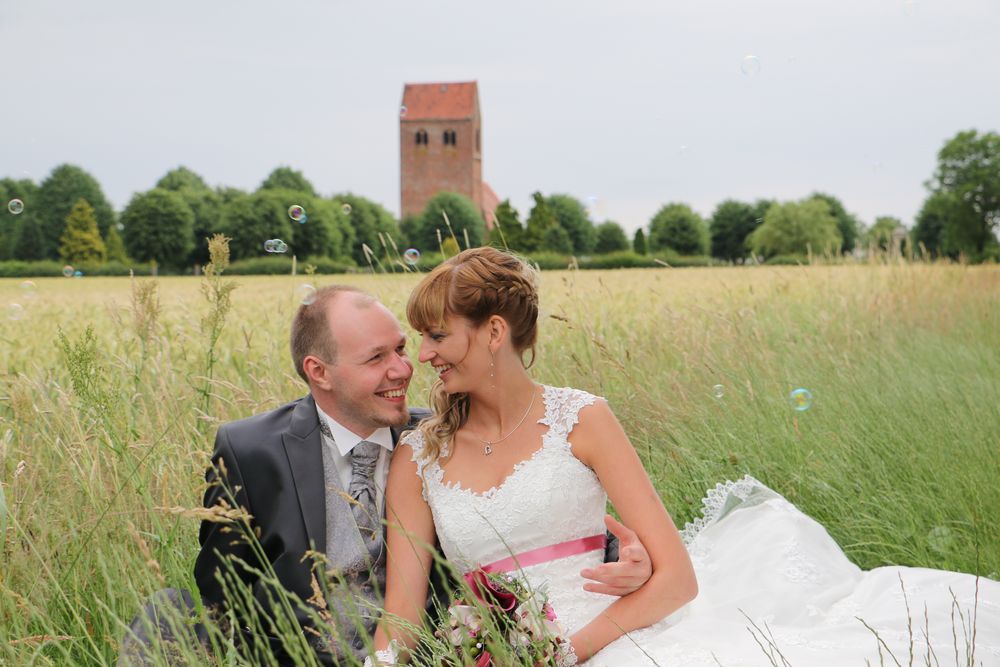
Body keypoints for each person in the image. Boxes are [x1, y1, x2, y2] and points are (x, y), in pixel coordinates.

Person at [367, 247, 1000, 665]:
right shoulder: (418, 458)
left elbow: (676, 578)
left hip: (613, 637)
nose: (423, 355)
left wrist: (560, 655)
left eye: (438, 335)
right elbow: (399, 620)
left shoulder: (582, 419)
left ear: (494, 333)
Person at [120, 284, 653, 666]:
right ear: (319, 372)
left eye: (401, 348)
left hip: (430, 648)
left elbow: (538, 516)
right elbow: (223, 582)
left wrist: (626, 554)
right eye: (377, 358)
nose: (404, 368)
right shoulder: (251, 449)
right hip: (304, 649)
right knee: (168, 612)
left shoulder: (439, 438)